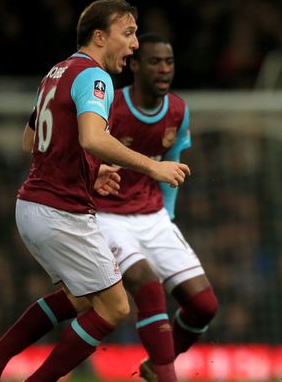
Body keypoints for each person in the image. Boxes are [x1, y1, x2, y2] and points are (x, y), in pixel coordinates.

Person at [0, 0, 191, 382]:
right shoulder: (94, 76)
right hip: (59, 211)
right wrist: (154, 166)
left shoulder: (56, 71)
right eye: (128, 33)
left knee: (82, 297)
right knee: (116, 307)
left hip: (32, 206)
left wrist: (90, 169)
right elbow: (92, 137)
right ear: (100, 37)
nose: (134, 44)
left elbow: (29, 140)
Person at [93, 33, 218, 382]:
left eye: (169, 62)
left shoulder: (178, 110)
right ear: (133, 65)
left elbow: (173, 163)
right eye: (154, 62)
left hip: (153, 217)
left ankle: (156, 366)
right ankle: (166, 375)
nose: (164, 69)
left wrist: (168, 216)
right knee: (148, 289)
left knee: (204, 305)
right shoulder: (110, 107)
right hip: (107, 216)